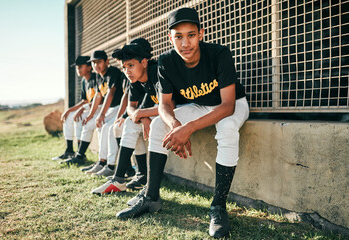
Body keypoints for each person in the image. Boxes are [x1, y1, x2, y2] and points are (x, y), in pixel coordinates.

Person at [116, 8, 249, 239]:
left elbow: (227, 106)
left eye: (191, 35)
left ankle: (218, 207)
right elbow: (164, 106)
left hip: (232, 103)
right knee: (159, 125)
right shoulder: (167, 61)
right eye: (178, 36)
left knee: (227, 128)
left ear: (201, 34)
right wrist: (176, 125)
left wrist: (187, 128)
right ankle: (151, 197)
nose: (185, 43)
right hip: (199, 105)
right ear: (170, 38)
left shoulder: (219, 54)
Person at [91, 38, 159, 195]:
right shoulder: (135, 79)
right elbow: (132, 105)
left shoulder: (156, 71)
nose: (127, 70)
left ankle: (143, 177)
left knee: (135, 123)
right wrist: (139, 115)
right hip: (156, 112)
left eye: (131, 65)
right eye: (124, 67)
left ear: (144, 61)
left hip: (179, 109)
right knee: (128, 123)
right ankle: (121, 178)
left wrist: (141, 114)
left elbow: (168, 105)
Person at [61, 50, 123, 166]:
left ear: (107, 61)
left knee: (105, 128)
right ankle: (86, 157)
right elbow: (97, 97)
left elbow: (111, 93)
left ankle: (108, 163)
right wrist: (90, 115)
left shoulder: (112, 72)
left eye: (99, 62)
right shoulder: (99, 76)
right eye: (94, 63)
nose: (96, 65)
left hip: (117, 108)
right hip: (109, 109)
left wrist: (101, 114)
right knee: (88, 123)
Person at [52, 56, 96, 161]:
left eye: (80, 66)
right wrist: (68, 110)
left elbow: (97, 100)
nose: (78, 69)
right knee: (69, 116)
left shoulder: (95, 78)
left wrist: (80, 110)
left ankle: (80, 154)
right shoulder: (84, 81)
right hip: (88, 107)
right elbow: (84, 101)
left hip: (96, 109)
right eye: (77, 67)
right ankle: (69, 150)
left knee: (78, 117)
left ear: (89, 67)